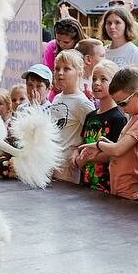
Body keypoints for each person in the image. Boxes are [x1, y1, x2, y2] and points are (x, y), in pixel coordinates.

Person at [93, 66, 138, 200]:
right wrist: (107, 144)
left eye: (123, 103)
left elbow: (118, 150)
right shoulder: (135, 117)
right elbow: (124, 149)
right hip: (120, 188)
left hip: (130, 192)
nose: (122, 109)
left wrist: (99, 144)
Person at [73, 60, 126, 191]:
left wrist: (87, 158)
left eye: (103, 79)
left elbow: (115, 153)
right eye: (94, 79)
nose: (97, 83)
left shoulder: (118, 118)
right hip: (85, 182)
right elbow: (83, 142)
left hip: (105, 185)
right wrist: (75, 154)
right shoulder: (90, 116)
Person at [49, 49, 95, 184]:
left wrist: (77, 151)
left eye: (67, 69)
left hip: (67, 164)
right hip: (51, 160)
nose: (60, 73)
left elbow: (90, 135)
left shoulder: (83, 103)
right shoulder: (57, 98)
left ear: (79, 73)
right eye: (57, 69)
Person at [101, 6, 138, 71]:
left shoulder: (135, 53)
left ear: (127, 25)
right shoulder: (101, 52)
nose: (112, 26)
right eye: (109, 23)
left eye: (117, 22)